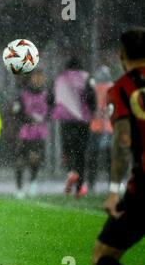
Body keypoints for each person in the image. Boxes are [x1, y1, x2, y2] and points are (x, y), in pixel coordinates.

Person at [92, 27, 145, 265]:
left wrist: (113, 191)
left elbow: (123, 142)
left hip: (143, 188)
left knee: (102, 256)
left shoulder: (122, 89)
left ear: (121, 55)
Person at [52, 57, 96, 198]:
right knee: (81, 153)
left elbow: (51, 97)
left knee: (68, 149)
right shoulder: (86, 77)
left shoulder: (60, 78)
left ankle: (71, 171)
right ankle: (80, 187)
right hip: (83, 120)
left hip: (65, 120)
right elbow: (91, 98)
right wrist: (92, 111)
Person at [11, 69, 49, 198]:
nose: (38, 80)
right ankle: (19, 188)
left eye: (40, 77)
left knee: (35, 158)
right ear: (30, 79)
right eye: (36, 77)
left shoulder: (46, 94)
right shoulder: (23, 95)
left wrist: (43, 118)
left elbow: (51, 110)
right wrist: (29, 119)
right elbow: (16, 113)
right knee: (20, 161)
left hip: (40, 132)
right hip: (25, 132)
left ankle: (33, 182)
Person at [86, 66, 113, 193]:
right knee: (109, 159)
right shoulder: (112, 88)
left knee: (93, 158)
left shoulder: (94, 88)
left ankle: (92, 184)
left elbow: (89, 103)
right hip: (108, 128)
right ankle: (112, 184)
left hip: (96, 127)